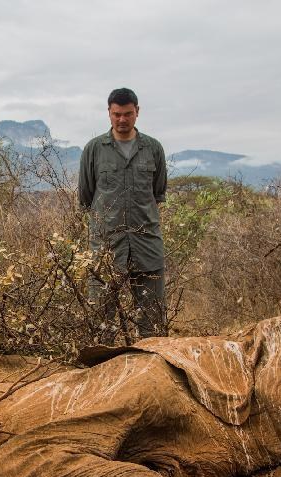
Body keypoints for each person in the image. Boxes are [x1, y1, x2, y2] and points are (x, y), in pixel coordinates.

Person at [78, 88, 168, 340]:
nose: (122, 120)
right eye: (116, 114)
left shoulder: (153, 149)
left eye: (128, 114)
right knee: (100, 324)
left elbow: (157, 194)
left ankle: (153, 375)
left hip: (147, 246)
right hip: (106, 247)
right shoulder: (94, 150)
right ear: (108, 113)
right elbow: (86, 197)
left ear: (137, 112)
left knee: (153, 322)